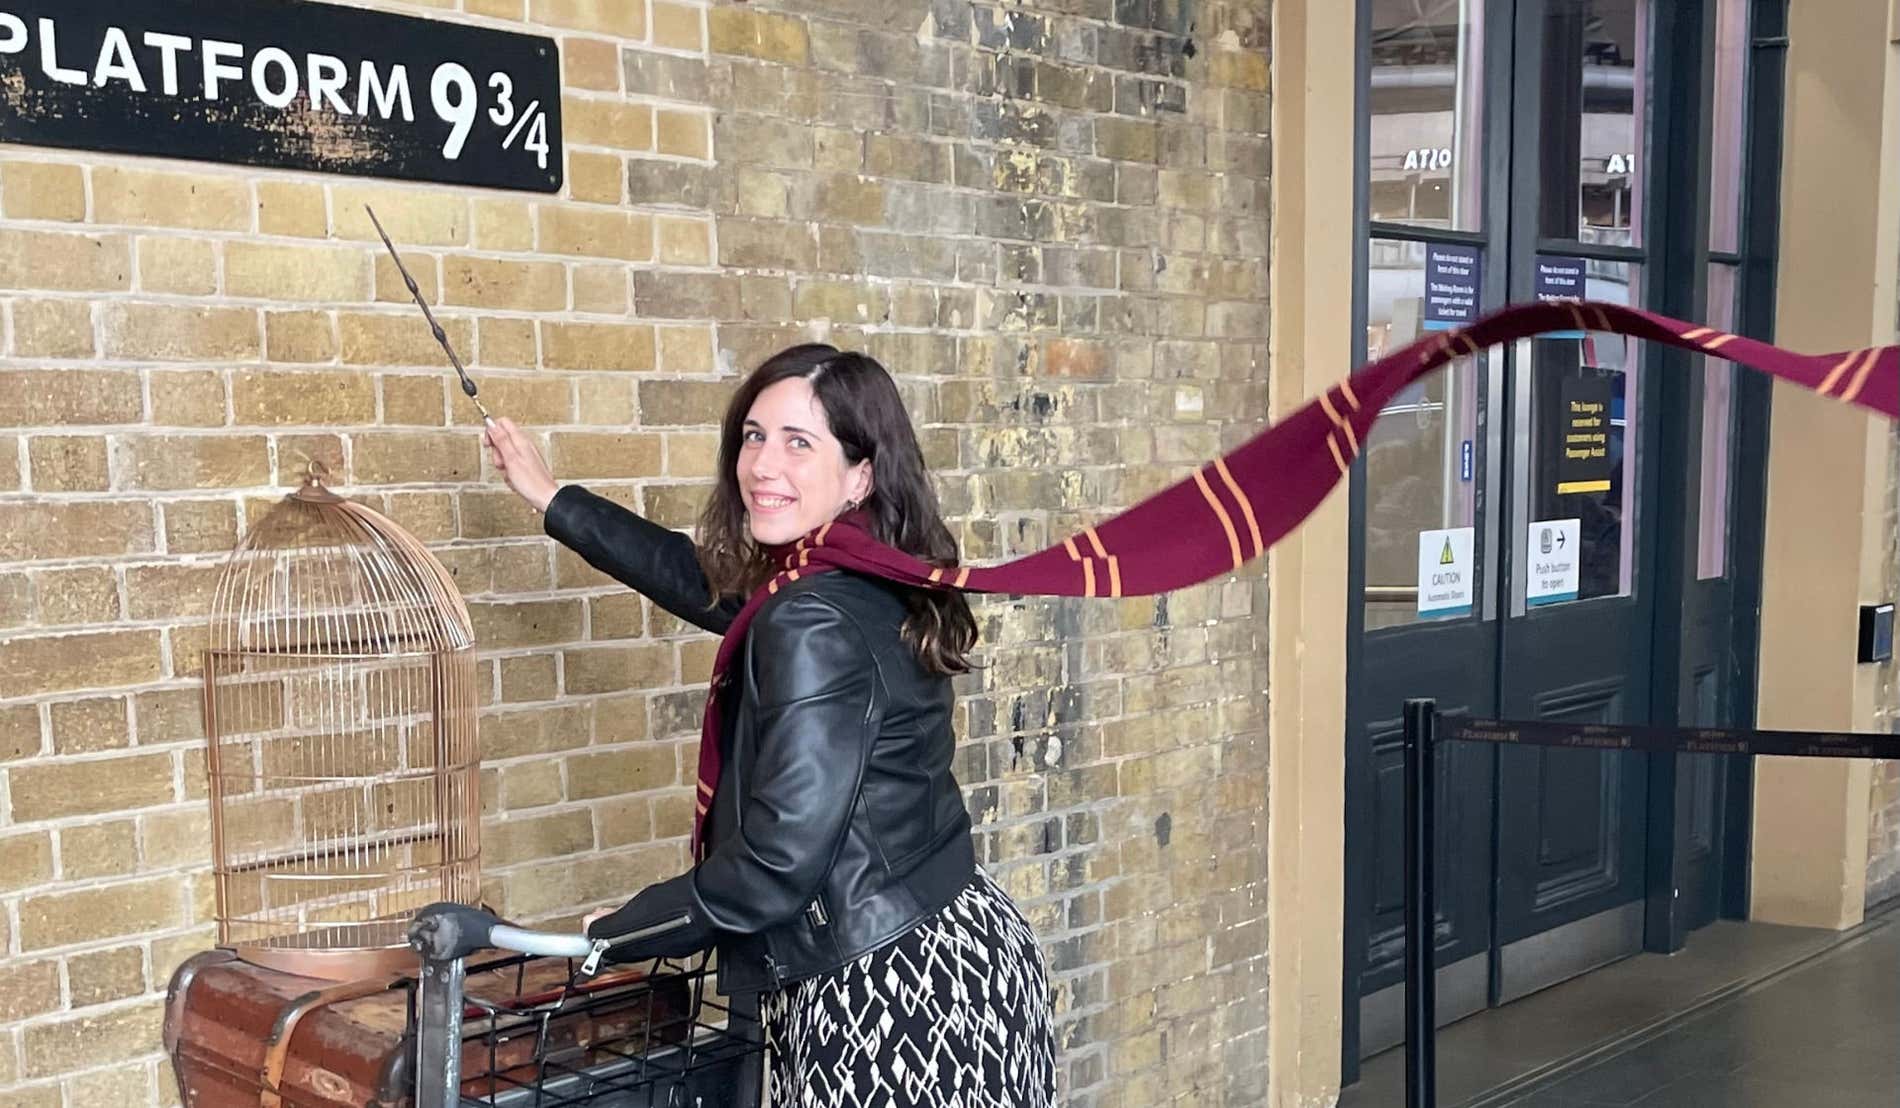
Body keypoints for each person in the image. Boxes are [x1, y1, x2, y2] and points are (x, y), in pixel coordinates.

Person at [483, 344, 1058, 1107]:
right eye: (754, 436)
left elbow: (777, 863)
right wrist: (555, 499)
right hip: (963, 947)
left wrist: (623, 932)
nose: (762, 464)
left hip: (889, 999)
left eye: (798, 443)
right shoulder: (863, 572)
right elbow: (713, 586)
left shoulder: (811, 616)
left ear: (861, 472)